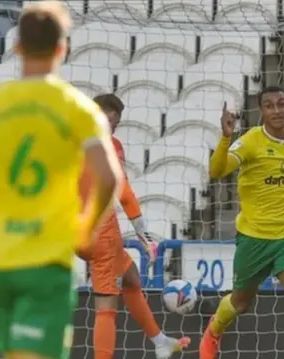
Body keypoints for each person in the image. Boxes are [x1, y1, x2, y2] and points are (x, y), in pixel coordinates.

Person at [0, 2, 124, 359]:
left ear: (17, 47)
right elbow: (108, 178)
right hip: (45, 262)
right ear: (62, 48)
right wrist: (85, 226)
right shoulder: (79, 111)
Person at [199, 86, 284, 359]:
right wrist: (226, 138)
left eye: (281, 103)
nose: (276, 110)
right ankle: (214, 330)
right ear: (262, 111)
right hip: (253, 237)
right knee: (241, 303)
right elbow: (217, 171)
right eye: (269, 106)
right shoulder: (251, 141)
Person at [78, 93, 190, 359]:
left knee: (131, 279)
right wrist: (141, 227)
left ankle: (160, 341)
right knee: (106, 305)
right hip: (99, 233)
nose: (111, 129)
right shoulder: (107, 146)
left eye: (115, 125)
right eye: (107, 121)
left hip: (82, 230)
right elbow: (123, 190)